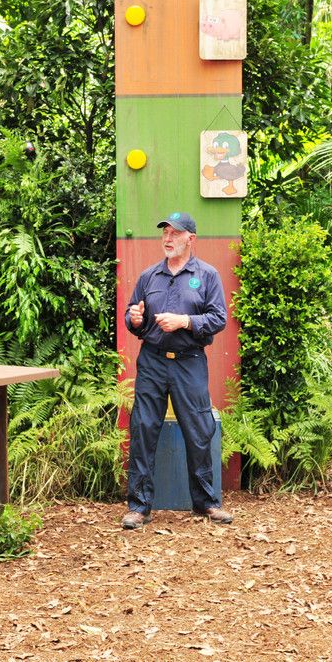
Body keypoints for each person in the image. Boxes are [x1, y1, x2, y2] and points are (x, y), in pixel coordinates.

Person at [122, 211, 231, 529]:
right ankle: (139, 507)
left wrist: (185, 321)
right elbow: (133, 316)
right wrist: (134, 319)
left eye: (175, 233)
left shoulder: (207, 275)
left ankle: (206, 503)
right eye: (165, 233)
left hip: (189, 361)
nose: (168, 238)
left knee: (198, 431)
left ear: (190, 239)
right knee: (143, 429)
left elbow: (218, 318)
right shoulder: (149, 277)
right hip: (153, 361)